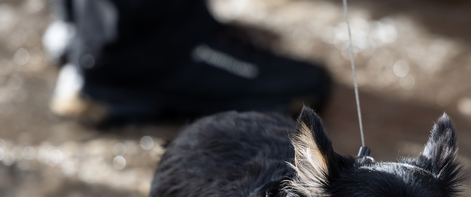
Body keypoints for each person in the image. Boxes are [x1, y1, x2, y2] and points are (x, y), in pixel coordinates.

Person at [45, 0, 331, 126]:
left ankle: (80, 22)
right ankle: (144, 44)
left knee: (87, 19)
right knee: (306, 85)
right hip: (132, 44)